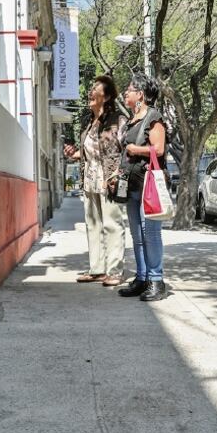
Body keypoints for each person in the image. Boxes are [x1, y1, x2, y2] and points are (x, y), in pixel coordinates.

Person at [63, 76, 128, 286]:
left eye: (95, 90)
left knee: (112, 224)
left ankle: (115, 270)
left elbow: (125, 150)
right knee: (92, 224)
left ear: (107, 96)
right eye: (90, 89)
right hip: (90, 179)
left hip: (109, 179)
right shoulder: (88, 121)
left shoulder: (118, 120)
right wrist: (74, 154)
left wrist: (117, 173)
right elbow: (90, 152)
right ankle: (97, 268)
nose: (90, 92)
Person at [117, 74, 168, 302]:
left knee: (151, 234)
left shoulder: (153, 118)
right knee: (137, 235)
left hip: (149, 185)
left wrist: (135, 150)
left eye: (129, 90)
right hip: (131, 185)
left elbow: (158, 149)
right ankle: (142, 277)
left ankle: (156, 280)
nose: (125, 93)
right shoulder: (132, 120)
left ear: (140, 94)